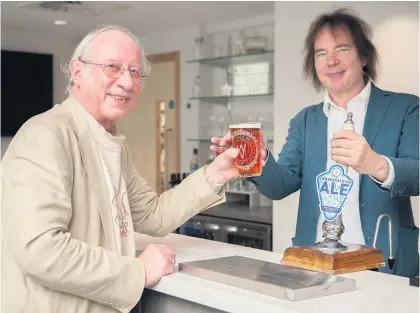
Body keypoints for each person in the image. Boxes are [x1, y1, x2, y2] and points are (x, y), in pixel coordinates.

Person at [1, 25, 243, 313]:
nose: (127, 82)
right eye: (112, 67)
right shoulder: (45, 135)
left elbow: (154, 214)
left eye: (135, 71)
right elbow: (41, 249)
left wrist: (217, 172)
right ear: (77, 72)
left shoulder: (111, 143)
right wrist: (137, 272)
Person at [211, 9, 419, 277]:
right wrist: (255, 158)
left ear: (364, 56)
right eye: (321, 53)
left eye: (342, 49)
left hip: (384, 263)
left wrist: (376, 164)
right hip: (316, 266)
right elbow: (281, 184)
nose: (331, 61)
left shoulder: (406, 108)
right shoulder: (305, 121)